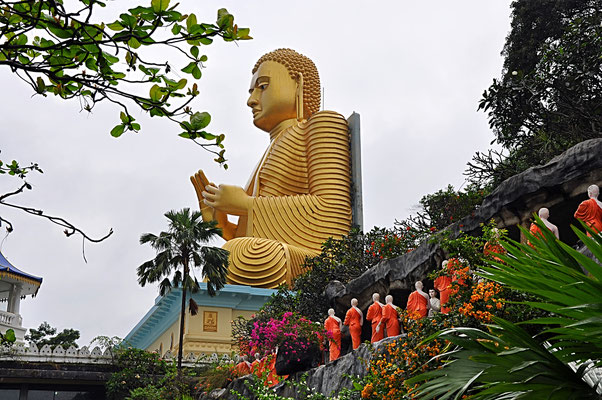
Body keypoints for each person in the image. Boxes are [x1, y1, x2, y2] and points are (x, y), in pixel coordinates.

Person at [191, 48, 352, 288]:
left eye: (263, 87)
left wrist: (246, 205)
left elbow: (332, 212)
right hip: (269, 251)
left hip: (312, 261)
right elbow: (265, 230)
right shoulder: (271, 148)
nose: (251, 100)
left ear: (297, 83)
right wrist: (223, 225)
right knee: (228, 255)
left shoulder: (321, 125)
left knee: (243, 253)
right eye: (252, 91)